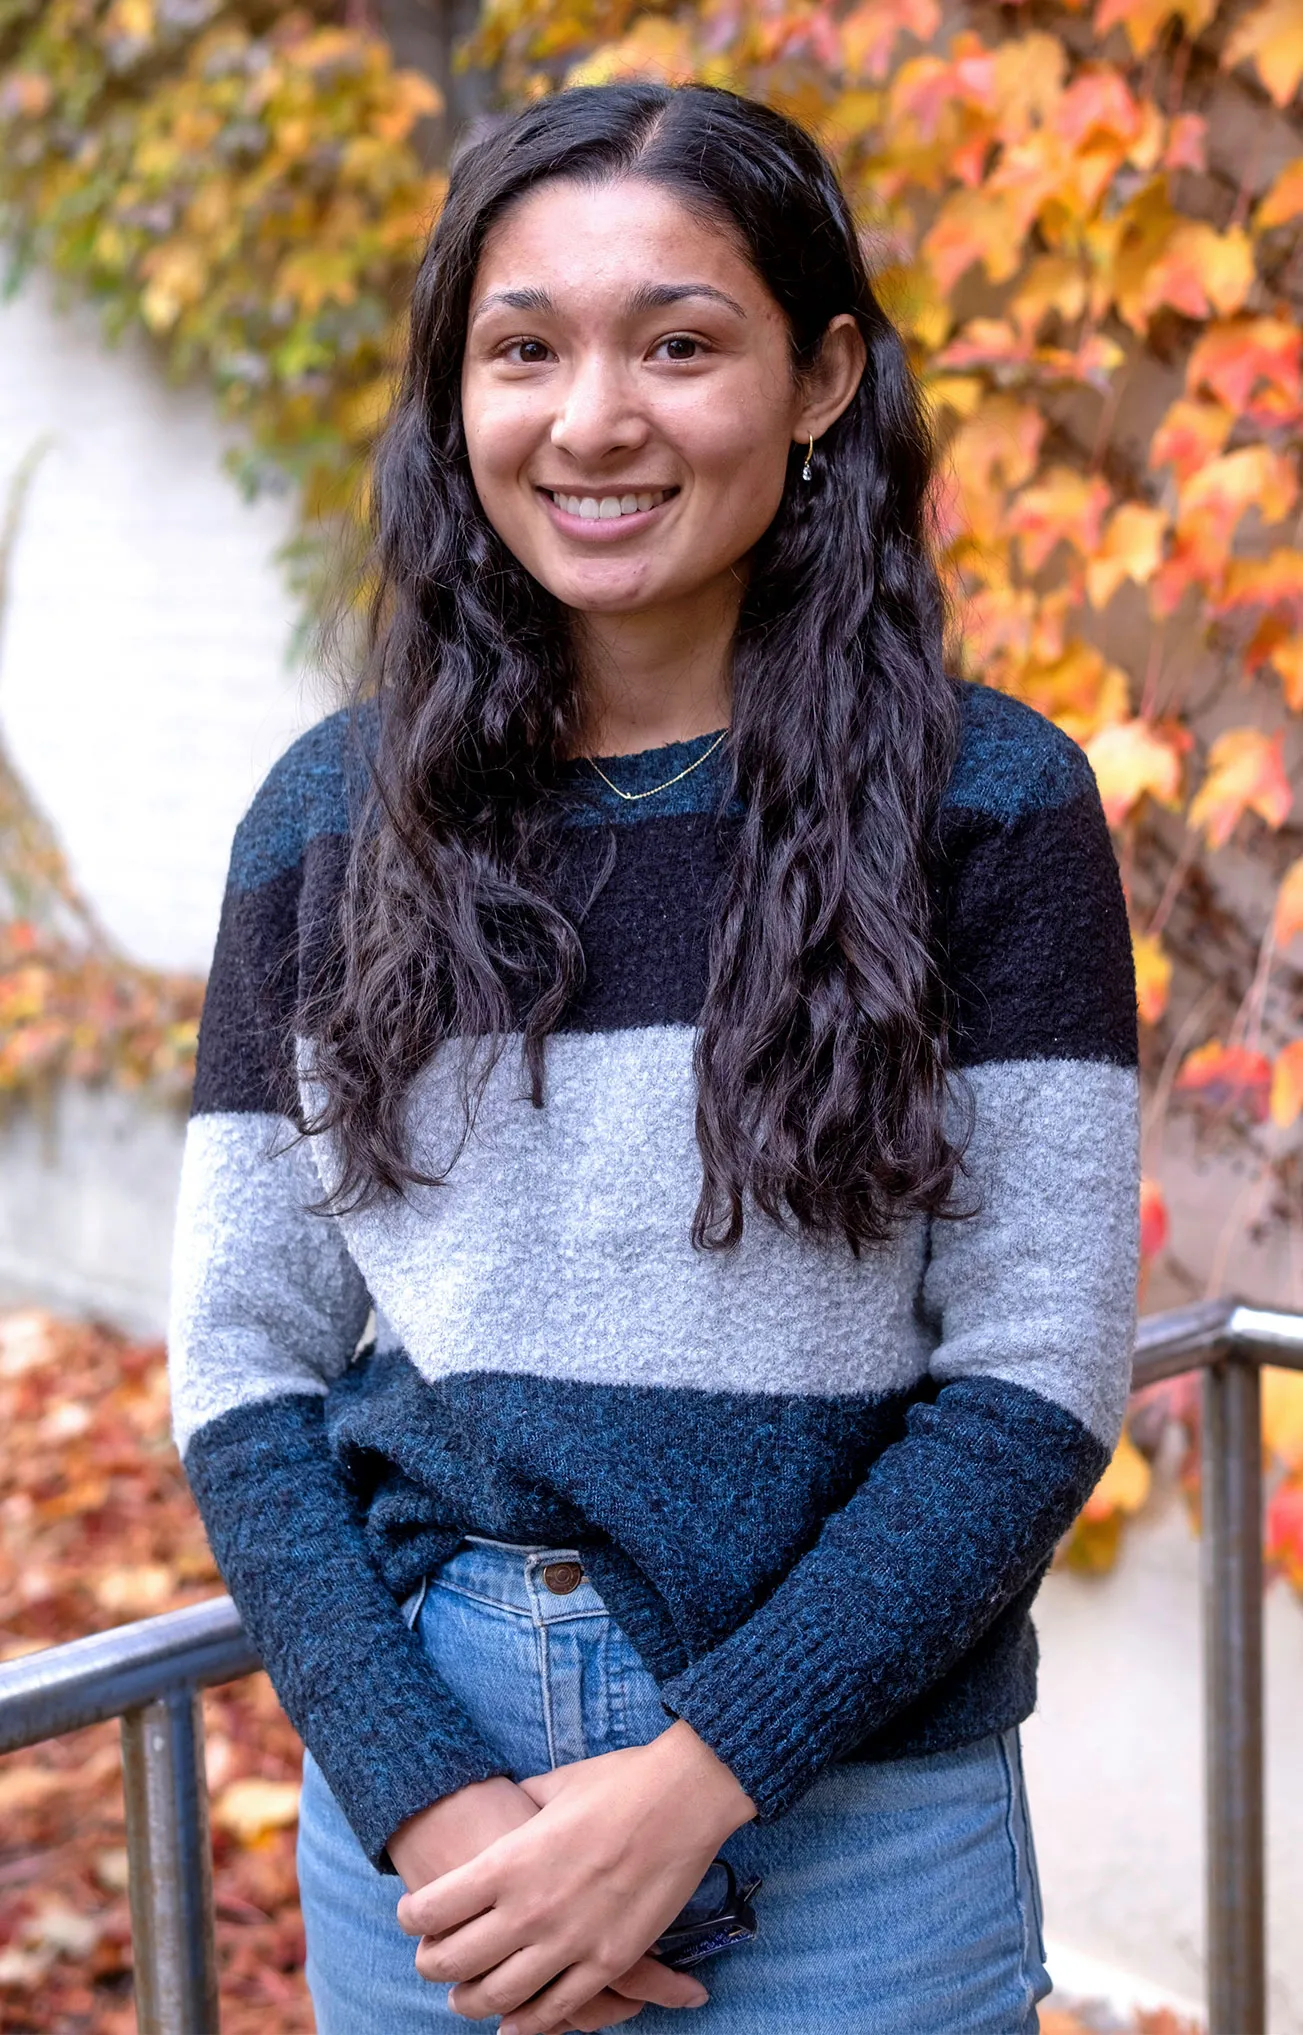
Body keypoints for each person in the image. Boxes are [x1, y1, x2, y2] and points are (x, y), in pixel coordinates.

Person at [168, 81, 1140, 2035]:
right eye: (524, 348)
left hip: (856, 1808)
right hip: (436, 1788)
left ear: (819, 379)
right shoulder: (333, 819)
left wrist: (701, 1785)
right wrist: (427, 1804)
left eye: (680, 342)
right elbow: (243, 1362)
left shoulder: (992, 805)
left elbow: (1034, 1375)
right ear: (461, 391)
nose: (593, 417)